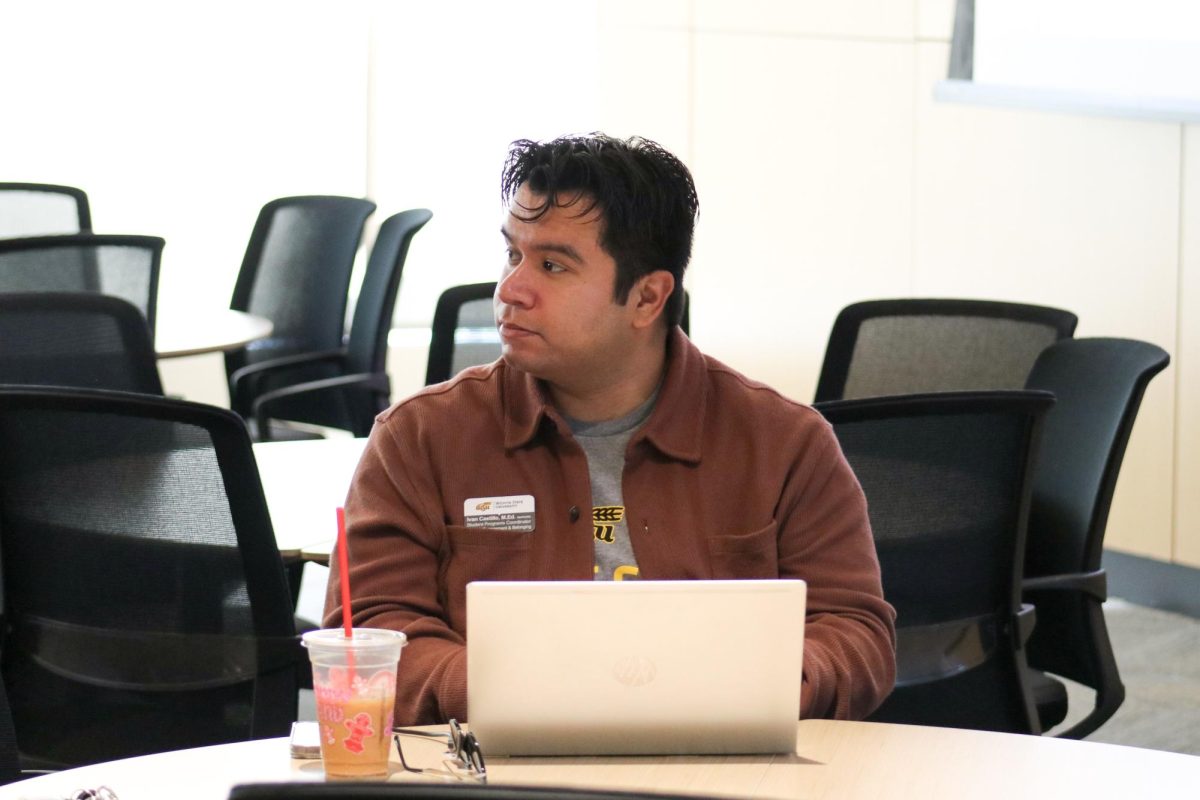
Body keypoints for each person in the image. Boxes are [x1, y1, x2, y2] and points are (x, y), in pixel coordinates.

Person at [324, 133, 896, 726]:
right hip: (502, 776)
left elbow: (854, 631)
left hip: (720, 771)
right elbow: (370, 632)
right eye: (511, 255)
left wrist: (753, 686)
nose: (509, 290)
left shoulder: (783, 443)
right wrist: (524, 691)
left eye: (552, 265)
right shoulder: (419, 438)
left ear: (647, 297)